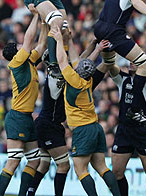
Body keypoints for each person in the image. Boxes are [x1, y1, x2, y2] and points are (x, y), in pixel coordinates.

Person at [27, 38, 109, 196]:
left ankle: (29, 193)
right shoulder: (59, 77)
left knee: (43, 164)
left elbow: (80, 63)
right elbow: (81, 67)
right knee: (64, 166)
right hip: (50, 125)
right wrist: (97, 50)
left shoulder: (59, 74)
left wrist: (92, 44)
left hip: (44, 124)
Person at [51, 25, 121, 196]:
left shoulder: (74, 80)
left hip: (83, 130)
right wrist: (95, 47)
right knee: (102, 167)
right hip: (96, 128)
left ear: (78, 71)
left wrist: (59, 40)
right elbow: (83, 62)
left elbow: (62, 60)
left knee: (80, 169)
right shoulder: (87, 80)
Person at [0, 5, 48, 196]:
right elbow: (28, 41)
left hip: (26, 118)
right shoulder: (16, 63)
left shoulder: (29, 62)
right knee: (14, 160)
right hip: (17, 117)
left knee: (34, 161)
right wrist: (35, 16)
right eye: (19, 49)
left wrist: (45, 23)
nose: (24, 49)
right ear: (16, 53)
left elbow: (40, 46)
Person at [108, 62, 146, 196]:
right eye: (131, 60)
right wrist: (107, 53)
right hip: (124, 129)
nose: (132, 62)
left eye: (136, 60)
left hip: (142, 131)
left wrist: (141, 64)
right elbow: (112, 68)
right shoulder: (124, 79)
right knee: (116, 172)